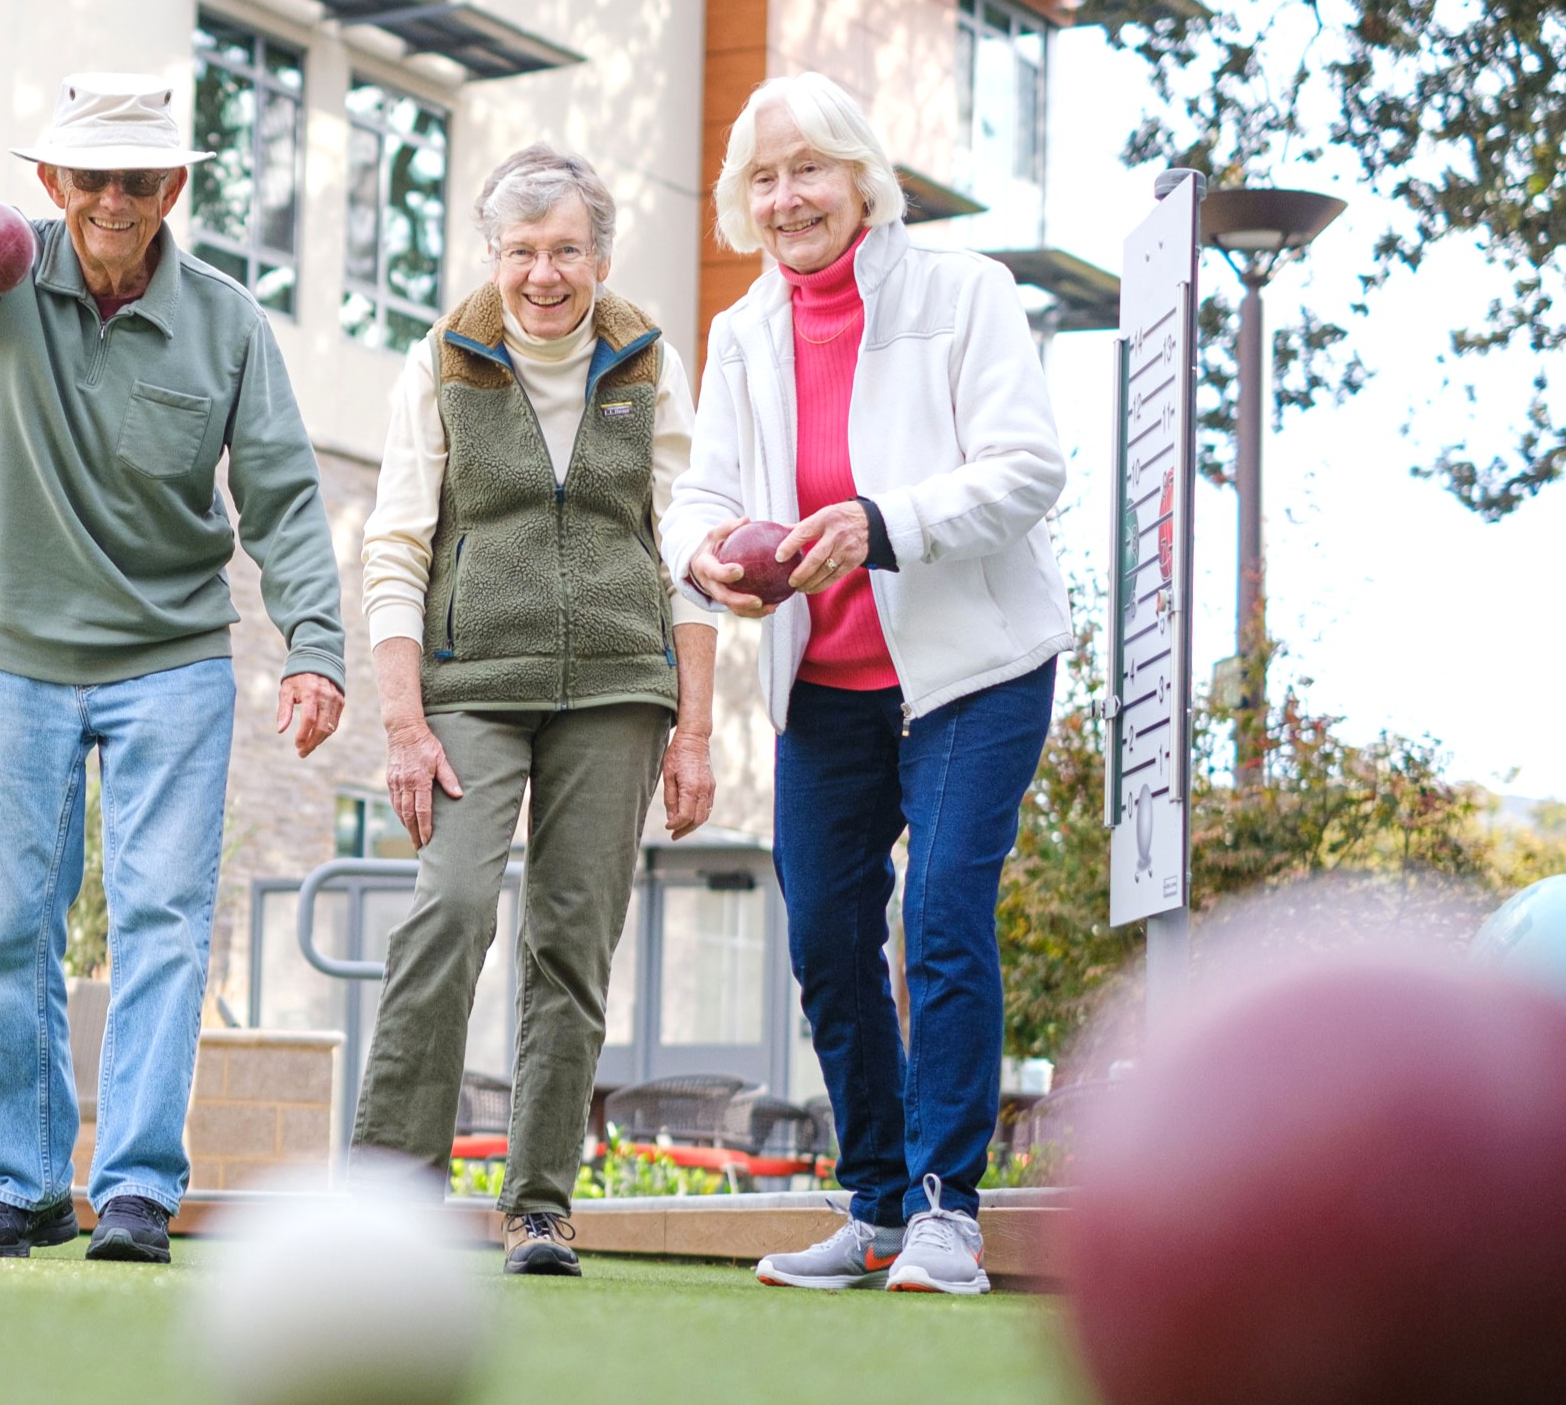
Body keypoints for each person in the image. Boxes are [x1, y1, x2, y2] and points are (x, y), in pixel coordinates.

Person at [0, 0, 347, 1264]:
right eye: (88, 176)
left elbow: (283, 502)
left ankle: (136, 1187)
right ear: (50, 179)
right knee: (17, 929)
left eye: (136, 180)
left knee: (159, 923)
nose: (109, 201)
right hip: (16, 659)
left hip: (171, 664)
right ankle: (26, 1183)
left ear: (171, 194)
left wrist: (314, 646)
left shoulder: (226, 326)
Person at [661, 73, 1072, 1296]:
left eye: (807, 169)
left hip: (970, 673)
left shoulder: (964, 293)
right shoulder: (743, 333)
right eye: (762, 178)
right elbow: (702, 492)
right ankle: (879, 1209)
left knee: (938, 919)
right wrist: (706, 556)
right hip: (825, 687)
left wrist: (876, 522)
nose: (785, 197)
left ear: (860, 178)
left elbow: (1026, 467)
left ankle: (947, 1214)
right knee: (826, 940)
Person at [354, 143, 719, 1277]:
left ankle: (538, 1207)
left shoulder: (648, 359)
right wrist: (404, 723)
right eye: (521, 251)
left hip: (616, 686)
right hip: (469, 682)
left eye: (565, 250)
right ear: (491, 255)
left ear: (600, 257)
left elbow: (691, 549)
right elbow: (395, 544)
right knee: (452, 909)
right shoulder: (442, 361)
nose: (543, 275)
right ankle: (387, 1194)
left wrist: (695, 728)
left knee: (571, 942)